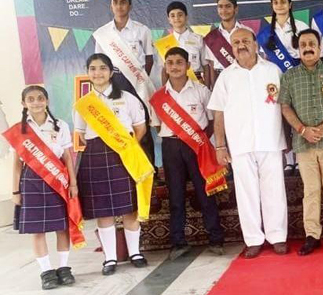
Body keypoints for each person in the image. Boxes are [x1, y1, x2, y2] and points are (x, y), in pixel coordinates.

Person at [208, 28, 289, 258]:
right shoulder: (226, 76)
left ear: (255, 44)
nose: (241, 45)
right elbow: (219, 113)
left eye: (245, 41)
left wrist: (288, 139)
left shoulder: (273, 71)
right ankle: (253, 239)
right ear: (231, 47)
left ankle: (278, 237)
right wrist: (220, 145)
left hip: (271, 140)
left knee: (274, 191)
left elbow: (285, 106)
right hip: (240, 144)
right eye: (236, 42)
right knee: (246, 194)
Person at [73, 54, 154, 275]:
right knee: (104, 211)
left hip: (125, 156)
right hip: (96, 158)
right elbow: (79, 135)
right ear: (87, 73)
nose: (97, 73)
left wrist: (125, 148)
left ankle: (135, 252)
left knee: (130, 208)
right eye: (92, 69)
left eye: (102, 68)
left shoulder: (128, 98)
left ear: (110, 72)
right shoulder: (83, 104)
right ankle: (110, 258)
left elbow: (141, 128)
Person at [149, 47, 226, 260]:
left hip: (198, 146)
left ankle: (216, 238)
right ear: (165, 67)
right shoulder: (158, 97)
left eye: (179, 62)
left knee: (206, 192)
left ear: (188, 66)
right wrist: (179, 137)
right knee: (175, 195)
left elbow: (212, 121)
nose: (174, 67)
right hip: (171, 147)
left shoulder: (201, 91)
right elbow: (157, 126)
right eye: (170, 62)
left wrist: (199, 140)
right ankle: (178, 242)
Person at [279, 29, 323, 256]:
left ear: (319, 47)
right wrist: (302, 130)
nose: (308, 47)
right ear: (298, 49)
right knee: (310, 190)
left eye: (312, 43)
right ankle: (312, 235)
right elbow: (285, 107)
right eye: (303, 44)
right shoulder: (289, 76)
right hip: (304, 143)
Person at [5, 86, 82, 289]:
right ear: (24, 104)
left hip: (58, 180)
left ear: (47, 101)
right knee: (37, 230)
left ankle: (64, 268)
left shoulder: (60, 126)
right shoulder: (19, 130)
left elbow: (67, 157)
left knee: (61, 227)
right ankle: (46, 271)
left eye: (40, 98)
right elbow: (16, 164)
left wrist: (73, 184)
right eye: (30, 99)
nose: (36, 102)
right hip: (30, 182)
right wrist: (15, 191)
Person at [92, 0, 157, 166]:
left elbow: (149, 59)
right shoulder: (103, 33)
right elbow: (100, 63)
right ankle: (122, 166)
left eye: (123, 2)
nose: (119, 6)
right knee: (118, 123)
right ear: (111, 6)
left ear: (130, 6)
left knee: (142, 124)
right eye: (115, 2)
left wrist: (140, 80)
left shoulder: (142, 30)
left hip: (138, 83)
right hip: (114, 83)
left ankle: (149, 167)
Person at [156, 1, 212, 86]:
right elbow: (164, 70)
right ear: (169, 19)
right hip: (174, 85)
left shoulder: (198, 39)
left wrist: (207, 88)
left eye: (180, 15)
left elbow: (206, 67)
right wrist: (164, 91)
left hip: (196, 83)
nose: (176, 18)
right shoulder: (164, 43)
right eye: (172, 15)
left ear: (186, 17)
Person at [257, 0, 309, 72]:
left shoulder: (302, 27)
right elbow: (264, 57)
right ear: (272, 5)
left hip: (299, 72)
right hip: (275, 73)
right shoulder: (265, 32)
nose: (279, 5)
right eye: (275, 2)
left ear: (290, 5)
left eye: (283, 2)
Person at [204, 0, 245, 86]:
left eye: (228, 6)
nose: (224, 10)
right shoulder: (211, 37)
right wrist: (214, 89)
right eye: (220, 7)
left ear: (236, 9)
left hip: (242, 78)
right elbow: (212, 66)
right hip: (220, 79)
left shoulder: (247, 32)